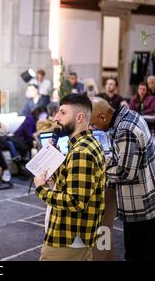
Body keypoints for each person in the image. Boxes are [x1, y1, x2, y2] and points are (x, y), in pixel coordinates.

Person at [90, 97, 155, 261]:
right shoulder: (130, 115)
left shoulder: (125, 130)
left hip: (142, 206)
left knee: (136, 255)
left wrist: (99, 169)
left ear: (103, 117)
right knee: (148, 252)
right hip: (151, 198)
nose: (93, 128)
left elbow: (125, 173)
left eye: (93, 124)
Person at [34, 94, 106, 261]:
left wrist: (41, 189)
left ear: (79, 117)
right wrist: (57, 160)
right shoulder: (87, 143)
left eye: (63, 113)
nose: (56, 117)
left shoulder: (81, 152)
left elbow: (75, 201)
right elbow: (72, 180)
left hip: (68, 238)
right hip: (77, 237)